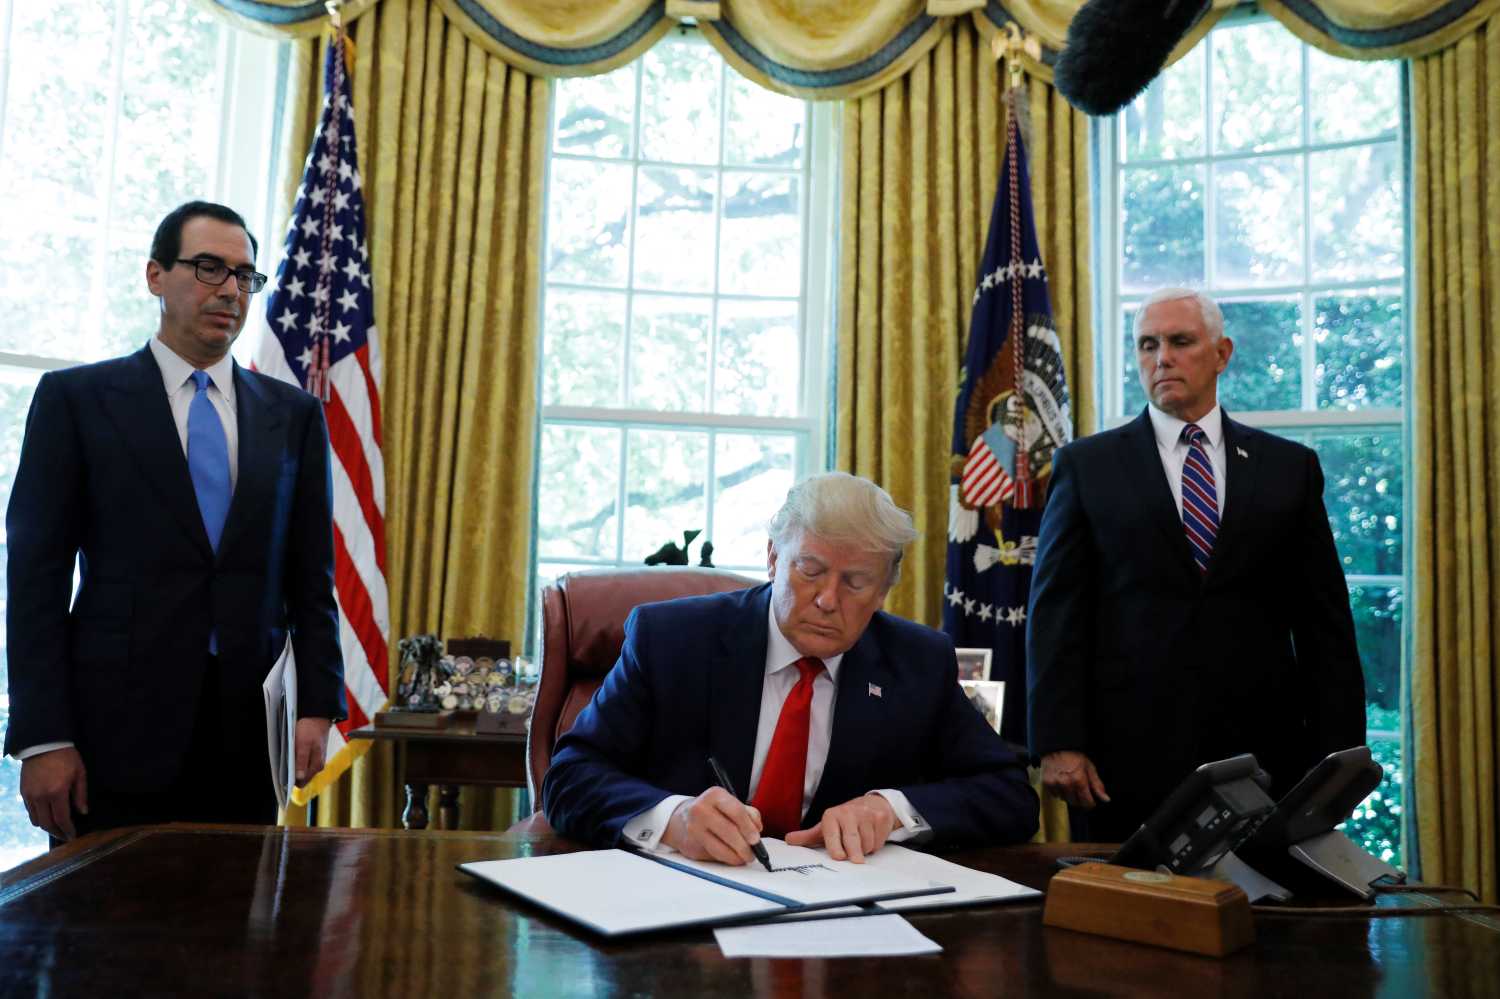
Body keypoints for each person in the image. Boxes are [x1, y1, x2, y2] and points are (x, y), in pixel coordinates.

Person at [5, 201, 346, 842]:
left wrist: (320, 707)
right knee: (99, 935)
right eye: (209, 268)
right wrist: (43, 736)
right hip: (112, 736)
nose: (229, 291)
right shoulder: (76, 402)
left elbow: (311, 577)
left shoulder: (293, 416)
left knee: (238, 932)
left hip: (247, 738)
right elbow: (34, 582)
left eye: (244, 276)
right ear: (155, 276)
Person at [543, 472, 1039, 865]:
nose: (827, 600)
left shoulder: (917, 661)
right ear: (773, 558)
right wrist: (673, 818)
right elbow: (569, 777)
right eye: (811, 570)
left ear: (885, 589)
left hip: (842, 923)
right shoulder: (672, 639)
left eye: (856, 582)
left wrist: (891, 810)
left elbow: (1009, 795)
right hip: (681, 906)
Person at [1025, 287, 1366, 842]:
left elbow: (1324, 621)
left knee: (1265, 918)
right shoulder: (1088, 466)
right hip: (1121, 758)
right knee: (1126, 920)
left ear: (1222, 353)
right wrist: (1059, 740)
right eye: (1147, 345)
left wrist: (1340, 759)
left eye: (1180, 342)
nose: (1162, 358)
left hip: (1264, 754)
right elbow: (1056, 613)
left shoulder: (1288, 469)